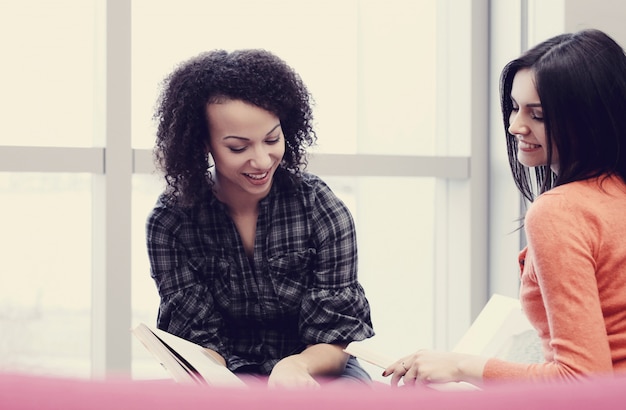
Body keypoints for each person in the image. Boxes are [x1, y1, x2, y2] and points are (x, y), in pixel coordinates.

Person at [383, 28, 626, 387]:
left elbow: (581, 381)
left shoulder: (560, 211)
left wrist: (461, 365)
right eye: (514, 108)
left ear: (589, 118)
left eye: (537, 115)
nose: (515, 126)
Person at [146, 49, 374, 388]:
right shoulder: (171, 224)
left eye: (272, 139)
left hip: (318, 369)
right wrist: (225, 384)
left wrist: (294, 368)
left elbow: (336, 338)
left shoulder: (321, 208)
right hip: (227, 374)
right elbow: (197, 341)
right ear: (202, 144)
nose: (262, 160)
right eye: (238, 147)